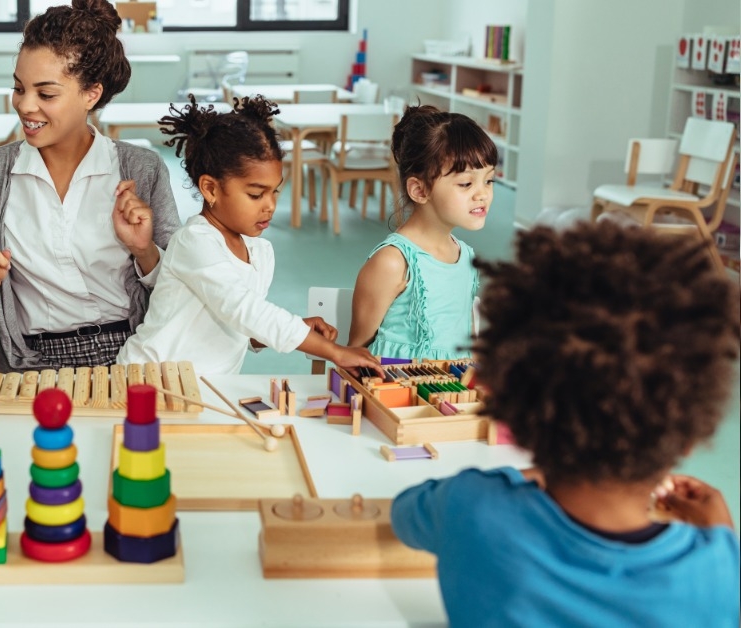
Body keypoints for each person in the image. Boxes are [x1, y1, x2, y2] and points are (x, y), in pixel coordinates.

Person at [391, 223, 740, 627]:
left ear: (517, 418)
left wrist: (516, 479)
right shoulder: (719, 572)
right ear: (690, 437)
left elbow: (405, 514)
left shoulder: (470, 507)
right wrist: (723, 539)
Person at [0, 0, 181, 372]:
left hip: (134, 354)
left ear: (91, 94)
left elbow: (181, 284)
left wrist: (144, 251)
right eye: (19, 88)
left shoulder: (141, 169)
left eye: (46, 94)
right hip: (27, 361)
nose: (25, 106)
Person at [117, 96, 382, 376]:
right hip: (148, 381)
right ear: (210, 189)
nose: (270, 205)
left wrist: (300, 328)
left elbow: (240, 326)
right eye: (256, 194)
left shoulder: (260, 252)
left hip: (206, 388)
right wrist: (335, 352)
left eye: (275, 191)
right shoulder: (195, 241)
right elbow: (244, 310)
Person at [349, 105, 496, 360]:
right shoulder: (393, 262)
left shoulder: (466, 257)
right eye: (466, 183)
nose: (482, 194)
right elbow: (354, 356)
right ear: (419, 190)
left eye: (489, 180)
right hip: (395, 394)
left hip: (451, 394)